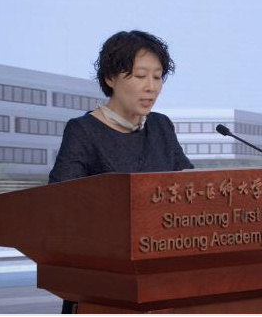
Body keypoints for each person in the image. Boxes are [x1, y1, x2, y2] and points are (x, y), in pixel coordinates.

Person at [48, 30, 194, 313]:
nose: (151, 87)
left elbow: (188, 187)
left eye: (157, 77)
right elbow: (62, 204)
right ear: (110, 78)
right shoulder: (83, 131)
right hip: (104, 284)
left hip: (161, 279)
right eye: (140, 76)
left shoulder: (161, 126)